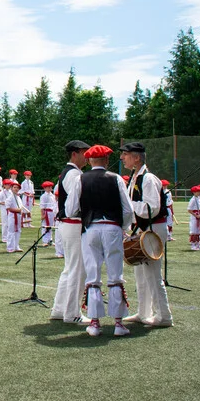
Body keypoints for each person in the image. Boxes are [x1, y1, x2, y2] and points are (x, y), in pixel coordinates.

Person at [75, 144, 134, 337]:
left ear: (89, 160)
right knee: (115, 273)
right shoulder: (116, 179)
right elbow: (128, 209)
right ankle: (118, 323)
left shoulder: (80, 179)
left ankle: (94, 322)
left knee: (93, 274)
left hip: (90, 228)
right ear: (107, 160)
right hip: (112, 227)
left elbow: (71, 208)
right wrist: (122, 227)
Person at [121, 141, 173, 328]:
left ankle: (164, 316)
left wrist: (127, 205)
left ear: (136, 158)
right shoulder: (136, 177)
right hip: (143, 228)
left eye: (125, 154)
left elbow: (151, 208)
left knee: (152, 274)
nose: (122, 158)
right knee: (140, 274)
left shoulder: (148, 179)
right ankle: (144, 312)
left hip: (153, 228)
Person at [50, 140, 90, 325]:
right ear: (75, 154)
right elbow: (79, 201)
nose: (87, 157)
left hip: (68, 224)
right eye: (84, 153)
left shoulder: (71, 172)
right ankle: (73, 312)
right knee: (77, 269)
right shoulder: (74, 174)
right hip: (74, 223)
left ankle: (60, 309)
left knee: (70, 268)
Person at [38, 181, 60, 255]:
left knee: (51, 226)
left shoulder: (52, 195)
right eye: (48, 187)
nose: (50, 188)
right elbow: (42, 206)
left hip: (52, 212)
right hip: (46, 211)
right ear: (45, 188)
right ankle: (45, 241)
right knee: (45, 226)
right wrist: (42, 214)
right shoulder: (43, 196)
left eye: (50, 187)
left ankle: (50, 239)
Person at [3, 180, 24, 253]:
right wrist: (17, 210)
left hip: (18, 215)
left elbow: (21, 207)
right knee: (11, 231)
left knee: (18, 230)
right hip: (12, 215)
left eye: (17, 188)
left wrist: (20, 210)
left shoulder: (18, 197)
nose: (16, 189)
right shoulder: (10, 197)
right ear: (11, 188)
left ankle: (16, 246)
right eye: (14, 187)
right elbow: (8, 207)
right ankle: (10, 247)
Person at [187, 186, 200, 251]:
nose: (199, 193)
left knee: (198, 231)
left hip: (199, 215)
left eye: (199, 191)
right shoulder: (193, 200)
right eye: (198, 192)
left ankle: (198, 244)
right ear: (194, 192)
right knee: (194, 231)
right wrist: (196, 215)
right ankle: (193, 245)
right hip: (195, 217)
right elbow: (189, 210)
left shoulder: (198, 198)